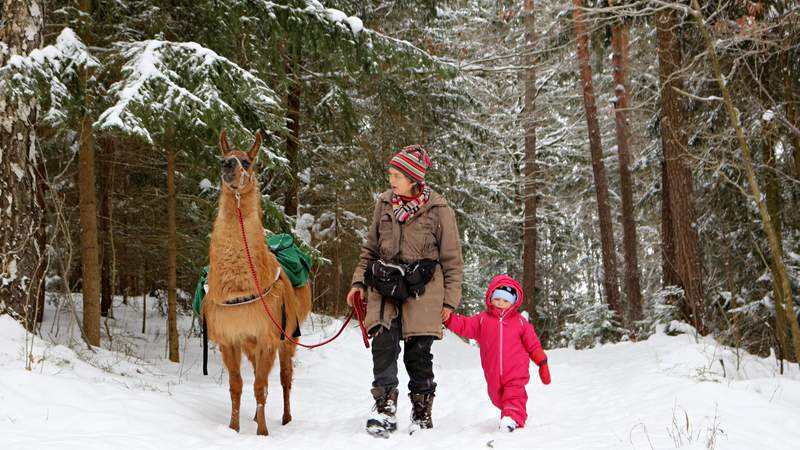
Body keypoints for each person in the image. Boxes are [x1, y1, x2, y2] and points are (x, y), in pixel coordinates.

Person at [346, 145, 464, 437]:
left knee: (418, 353)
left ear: (414, 178)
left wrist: (450, 300)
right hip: (385, 285)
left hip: (424, 289)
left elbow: (452, 259)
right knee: (383, 345)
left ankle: (422, 409)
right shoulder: (384, 204)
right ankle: (384, 407)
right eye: (391, 173)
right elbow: (369, 249)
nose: (392, 179)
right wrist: (358, 283)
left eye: (397, 174)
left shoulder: (439, 210)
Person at [443, 274, 551, 432]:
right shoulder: (482, 320)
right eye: (497, 299)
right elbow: (465, 325)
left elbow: (533, 345)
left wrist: (542, 362)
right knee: (497, 397)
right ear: (490, 298)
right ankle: (509, 412)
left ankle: (512, 418)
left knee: (514, 395)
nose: (501, 303)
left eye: (506, 300)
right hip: (493, 374)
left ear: (513, 302)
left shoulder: (520, 322)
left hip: (515, 371)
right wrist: (449, 319)